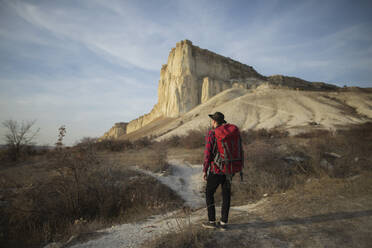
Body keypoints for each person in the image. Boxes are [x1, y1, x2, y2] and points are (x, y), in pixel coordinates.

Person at [202, 112, 244, 230]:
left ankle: (211, 221)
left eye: (212, 120)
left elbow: (208, 153)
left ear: (214, 122)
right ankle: (224, 222)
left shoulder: (212, 133)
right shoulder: (232, 132)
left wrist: (205, 169)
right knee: (226, 194)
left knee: (209, 193)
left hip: (216, 169)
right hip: (230, 168)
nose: (211, 122)